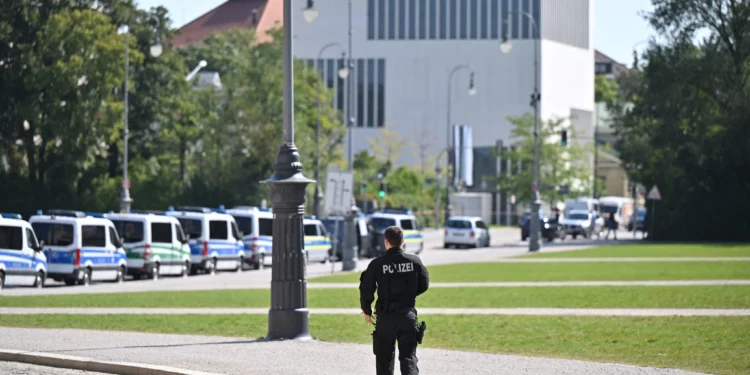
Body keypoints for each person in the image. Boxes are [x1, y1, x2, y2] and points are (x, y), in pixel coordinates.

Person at [359, 226, 430, 375]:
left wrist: (367, 310)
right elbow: (424, 285)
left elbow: (366, 289)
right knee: (408, 358)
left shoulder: (377, 264)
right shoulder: (415, 262)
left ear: (386, 242)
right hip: (407, 316)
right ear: (402, 241)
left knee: (384, 360)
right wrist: (409, 295)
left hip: (385, 318)